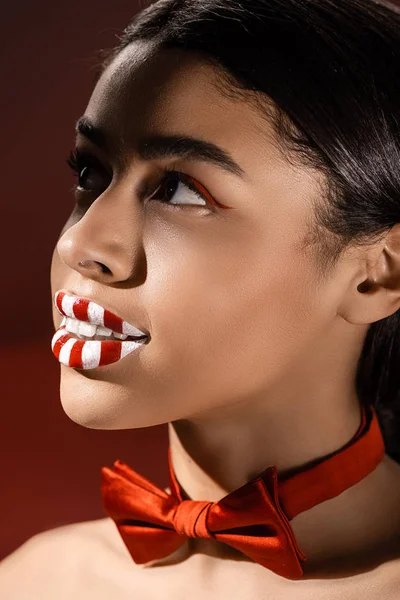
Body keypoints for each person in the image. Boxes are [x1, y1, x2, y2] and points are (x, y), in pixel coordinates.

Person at [1, 0, 400, 597]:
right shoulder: (36, 580)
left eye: (182, 191)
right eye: (91, 173)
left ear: (378, 276)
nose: (80, 242)